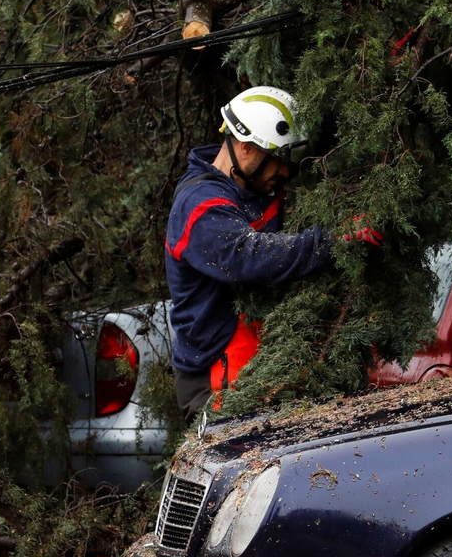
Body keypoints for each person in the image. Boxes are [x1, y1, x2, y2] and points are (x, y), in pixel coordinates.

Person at [164, 85, 382, 417]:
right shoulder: (201, 207)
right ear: (248, 148)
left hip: (255, 359)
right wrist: (334, 238)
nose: (285, 173)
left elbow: (322, 136)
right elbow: (249, 256)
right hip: (216, 373)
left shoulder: (251, 183)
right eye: (280, 162)